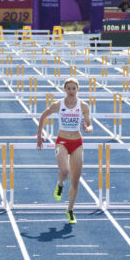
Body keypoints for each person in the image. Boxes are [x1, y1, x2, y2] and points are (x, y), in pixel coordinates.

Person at [36, 78, 93, 224]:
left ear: (77, 90)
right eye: (69, 88)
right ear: (65, 90)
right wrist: (39, 134)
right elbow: (43, 115)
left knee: (75, 181)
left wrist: (88, 129)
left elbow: (90, 124)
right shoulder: (58, 105)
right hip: (61, 141)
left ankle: (70, 210)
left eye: (74, 88)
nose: (72, 91)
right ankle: (60, 183)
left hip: (77, 143)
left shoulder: (83, 106)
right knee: (65, 171)